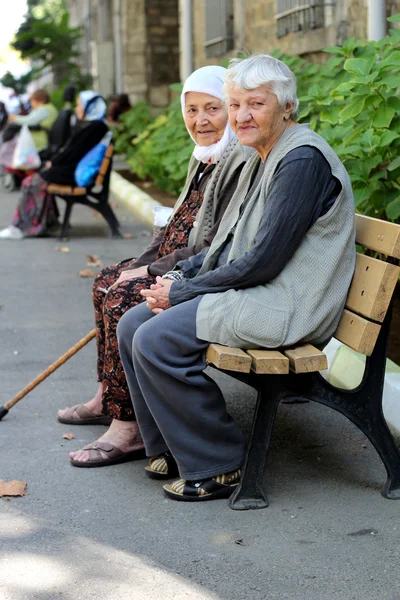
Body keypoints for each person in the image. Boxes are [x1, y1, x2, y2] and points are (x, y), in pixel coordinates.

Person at [116, 54, 356, 502]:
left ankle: (218, 464)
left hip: (289, 303)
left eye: (256, 104)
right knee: (132, 324)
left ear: (286, 107)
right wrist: (184, 273)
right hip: (260, 290)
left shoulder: (300, 160)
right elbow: (230, 239)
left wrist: (183, 291)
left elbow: (264, 260)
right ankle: (174, 443)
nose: (242, 116)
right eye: (236, 104)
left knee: (156, 340)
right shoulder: (259, 154)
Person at [58, 65, 253, 468]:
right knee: (105, 282)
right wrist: (141, 264)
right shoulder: (203, 157)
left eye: (212, 109)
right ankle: (109, 396)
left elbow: (211, 245)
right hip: (173, 261)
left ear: (230, 110)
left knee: (122, 296)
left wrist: (146, 273)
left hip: (195, 272)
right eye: (192, 109)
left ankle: (126, 426)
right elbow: (173, 228)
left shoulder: (236, 162)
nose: (200, 120)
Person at [0, 91, 108, 239]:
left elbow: (72, 152)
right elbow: (72, 151)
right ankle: (48, 223)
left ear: (90, 108)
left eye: (79, 105)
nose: (77, 109)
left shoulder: (94, 128)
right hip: (72, 170)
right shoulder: (95, 126)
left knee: (30, 182)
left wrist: (53, 163)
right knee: (34, 180)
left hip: (71, 173)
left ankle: (23, 227)